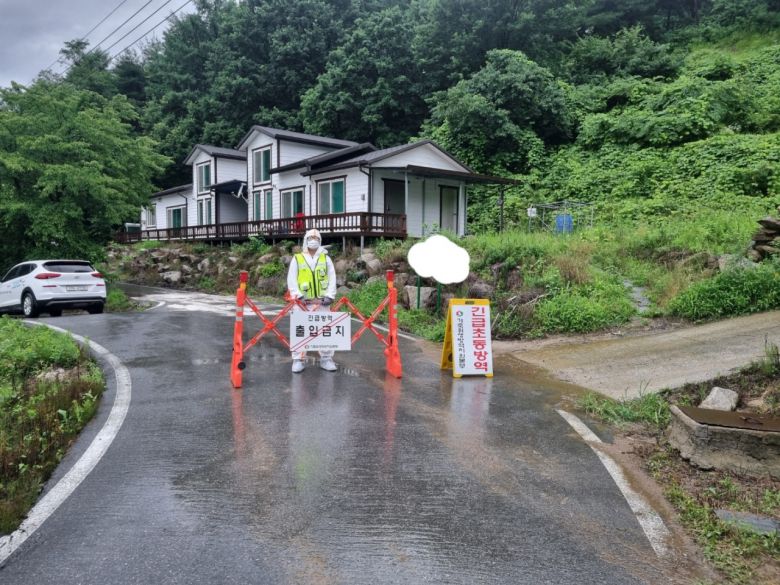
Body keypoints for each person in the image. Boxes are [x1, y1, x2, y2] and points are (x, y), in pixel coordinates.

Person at [287, 228, 338, 373]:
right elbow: (292, 279)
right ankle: (298, 359)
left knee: (325, 330)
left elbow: (332, 278)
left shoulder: (325, 258)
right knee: (300, 331)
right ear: (305, 240)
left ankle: (326, 358)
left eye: (316, 238)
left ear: (320, 241)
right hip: (303, 303)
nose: (313, 241)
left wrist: (330, 295)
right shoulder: (297, 258)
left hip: (322, 302)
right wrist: (298, 296)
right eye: (310, 238)